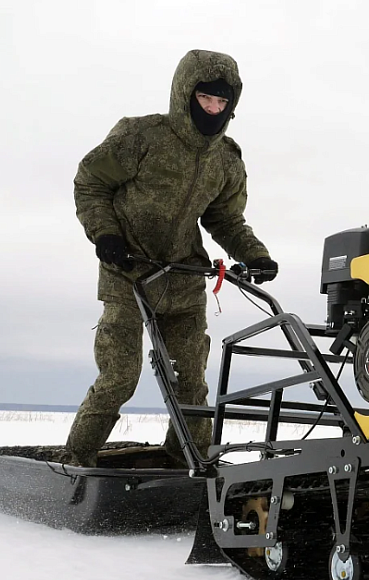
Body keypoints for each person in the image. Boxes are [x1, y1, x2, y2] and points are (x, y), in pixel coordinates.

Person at [65, 49, 278, 468]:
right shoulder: (141, 137)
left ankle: (188, 465)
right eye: (205, 98)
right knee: (119, 377)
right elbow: (90, 183)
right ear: (185, 94)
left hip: (183, 278)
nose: (213, 108)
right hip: (127, 272)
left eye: (222, 101)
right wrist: (105, 234)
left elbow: (225, 219)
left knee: (190, 383)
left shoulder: (225, 159)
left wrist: (255, 254)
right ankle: (76, 462)